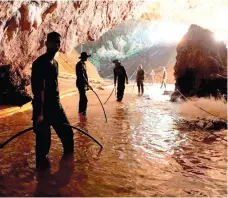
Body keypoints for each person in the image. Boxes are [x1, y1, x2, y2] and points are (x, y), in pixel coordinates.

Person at [31, 31, 74, 169]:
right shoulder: (40, 63)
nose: (56, 44)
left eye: (58, 42)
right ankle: (41, 182)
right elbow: (39, 90)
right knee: (43, 147)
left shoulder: (55, 63)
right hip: (43, 108)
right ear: (46, 44)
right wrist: (39, 114)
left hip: (56, 106)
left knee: (68, 135)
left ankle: (67, 170)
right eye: (54, 41)